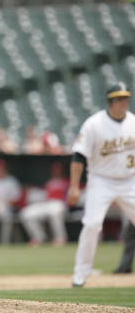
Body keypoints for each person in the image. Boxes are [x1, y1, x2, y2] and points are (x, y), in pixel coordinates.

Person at [67, 82, 135, 287]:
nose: (125, 101)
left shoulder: (133, 121)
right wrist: (74, 186)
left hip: (130, 179)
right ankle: (81, 273)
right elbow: (78, 156)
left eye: (126, 97)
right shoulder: (93, 124)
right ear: (111, 101)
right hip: (101, 180)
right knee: (92, 224)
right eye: (120, 98)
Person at [19, 162, 69, 247]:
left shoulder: (66, 181)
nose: (56, 171)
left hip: (60, 204)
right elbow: (44, 195)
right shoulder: (49, 182)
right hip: (47, 203)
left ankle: (60, 238)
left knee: (55, 211)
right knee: (26, 213)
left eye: (58, 170)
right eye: (54, 170)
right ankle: (39, 237)